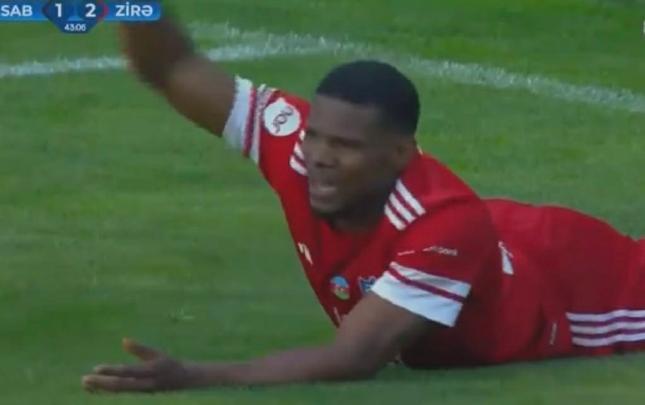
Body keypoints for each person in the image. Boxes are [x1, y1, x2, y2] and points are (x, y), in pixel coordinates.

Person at [81, 18, 645, 393]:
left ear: (400, 154)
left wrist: (197, 376)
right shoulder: (297, 147)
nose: (319, 159)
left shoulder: (443, 227)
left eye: (346, 147)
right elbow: (172, 67)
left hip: (581, 285)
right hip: (495, 245)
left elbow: (355, 357)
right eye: (316, 136)